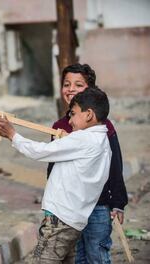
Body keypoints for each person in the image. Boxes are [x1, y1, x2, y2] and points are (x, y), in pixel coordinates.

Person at [0, 87, 112, 263]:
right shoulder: (103, 143)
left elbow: (41, 151)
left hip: (60, 221)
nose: (70, 121)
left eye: (73, 114)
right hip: (74, 221)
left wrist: (13, 135)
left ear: (88, 115)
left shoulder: (82, 139)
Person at [47, 63, 128, 263]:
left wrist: (118, 203)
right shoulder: (59, 127)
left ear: (89, 91)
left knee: (96, 254)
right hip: (70, 209)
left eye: (78, 84)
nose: (71, 89)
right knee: (77, 257)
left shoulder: (103, 126)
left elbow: (115, 164)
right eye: (67, 84)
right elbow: (53, 167)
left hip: (98, 206)